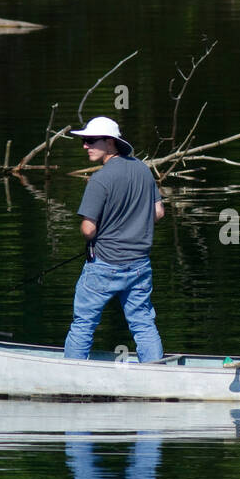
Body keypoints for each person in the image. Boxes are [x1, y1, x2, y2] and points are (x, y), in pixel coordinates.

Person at [63, 116, 165, 362]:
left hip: (105, 265)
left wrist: (105, 231)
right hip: (140, 264)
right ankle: (157, 374)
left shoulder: (100, 179)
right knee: (143, 323)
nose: (85, 146)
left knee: (84, 322)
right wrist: (133, 226)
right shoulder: (142, 168)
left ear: (110, 142)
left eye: (90, 141)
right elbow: (159, 212)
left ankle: (71, 374)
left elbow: (88, 229)